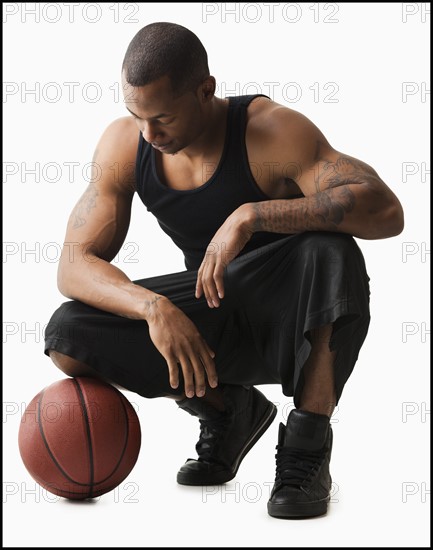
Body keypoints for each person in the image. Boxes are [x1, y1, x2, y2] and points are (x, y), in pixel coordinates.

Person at [44, 22, 404, 518]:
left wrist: (255, 214)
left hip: (296, 317)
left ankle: (306, 451)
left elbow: (386, 210)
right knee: (67, 333)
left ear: (205, 90)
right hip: (212, 313)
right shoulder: (127, 145)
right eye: (137, 116)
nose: (150, 134)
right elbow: (73, 264)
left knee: (330, 250)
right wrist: (154, 308)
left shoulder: (270, 131)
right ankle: (228, 411)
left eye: (163, 117)